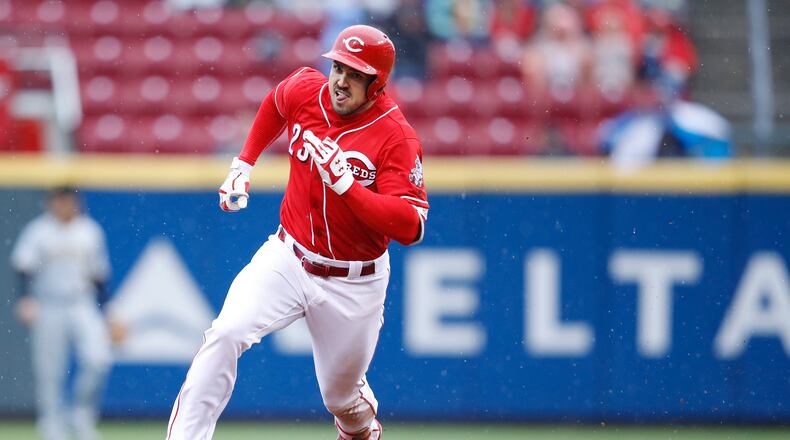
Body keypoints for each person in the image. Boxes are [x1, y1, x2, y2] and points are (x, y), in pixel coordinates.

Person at [166, 24, 429, 440]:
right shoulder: (308, 88)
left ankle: (362, 426)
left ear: (376, 83)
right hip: (288, 256)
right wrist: (244, 163)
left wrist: (350, 189)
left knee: (341, 399)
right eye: (339, 67)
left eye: (356, 74)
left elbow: (411, 226)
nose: (341, 80)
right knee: (226, 332)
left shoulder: (396, 137)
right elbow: (276, 102)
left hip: (353, 281)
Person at [10, 186, 113, 440]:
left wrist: (108, 313)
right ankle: (51, 422)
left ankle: (81, 416)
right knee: (49, 369)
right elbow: (23, 268)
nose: (66, 206)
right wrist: (25, 299)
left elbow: (99, 277)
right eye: (61, 201)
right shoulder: (38, 231)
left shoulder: (89, 231)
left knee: (98, 359)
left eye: (70, 201)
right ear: (51, 203)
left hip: (82, 302)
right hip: (49, 303)